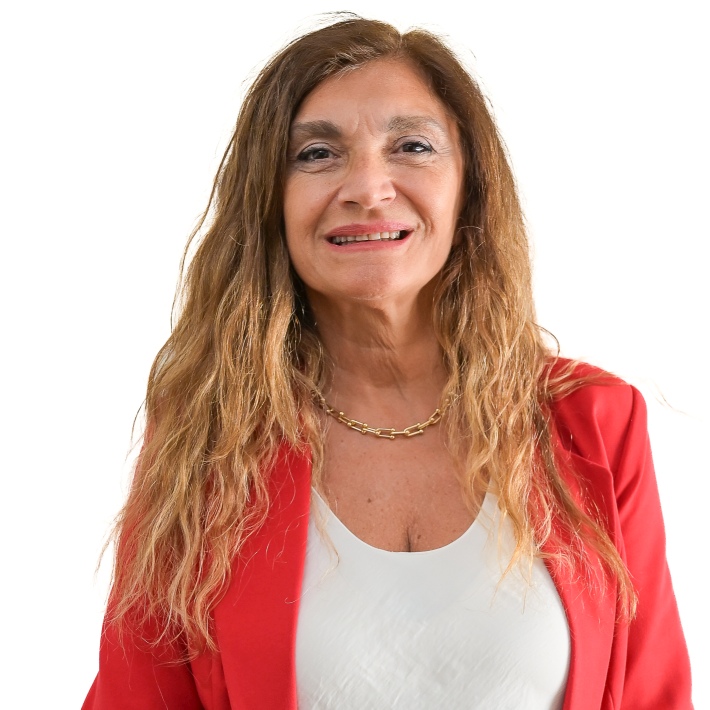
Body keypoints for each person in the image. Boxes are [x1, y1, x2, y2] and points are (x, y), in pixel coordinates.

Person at [83, 15, 693, 710]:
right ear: (268, 199)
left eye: (411, 146)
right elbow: (138, 696)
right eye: (317, 153)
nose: (368, 188)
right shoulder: (209, 431)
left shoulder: (593, 419)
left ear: (470, 185)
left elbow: (652, 694)